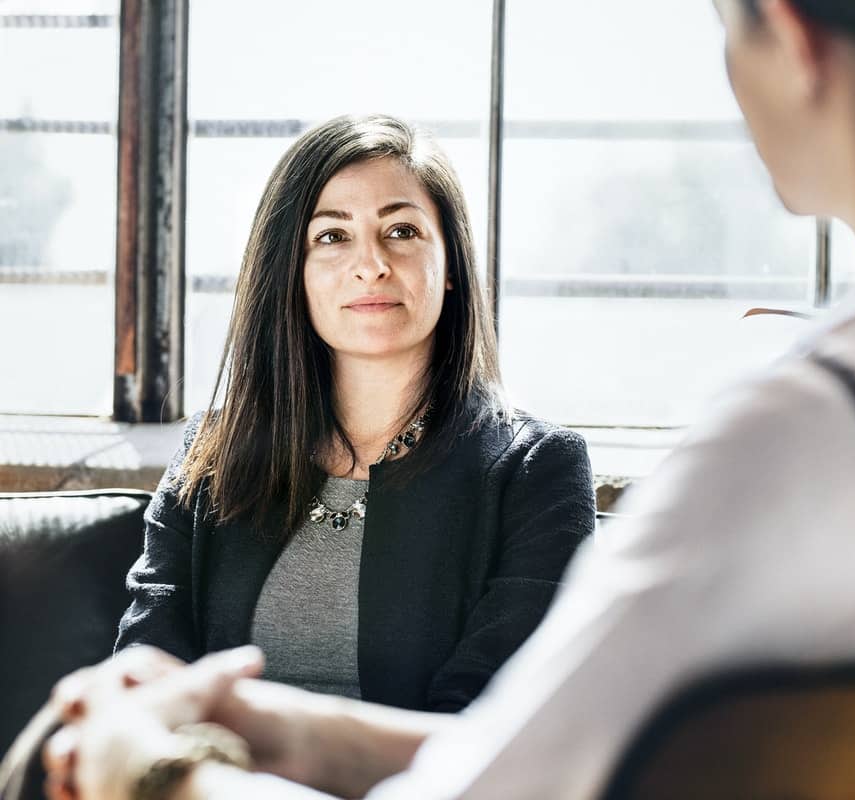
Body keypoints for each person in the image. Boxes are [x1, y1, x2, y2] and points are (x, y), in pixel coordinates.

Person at [28, 0, 855, 797]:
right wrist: (282, 724)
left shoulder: (801, 433)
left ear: (789, 36)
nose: (368, 263)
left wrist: (154, 761)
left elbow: (498, 787)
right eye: (332, 237)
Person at [116, 114, 596, 707]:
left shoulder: (537, 470)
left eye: (402, 231)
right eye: (332, 237)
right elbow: (146, 669)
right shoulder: (214, 452)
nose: (371, 264)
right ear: (291, 273)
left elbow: (494, 718)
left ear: (450, 269)